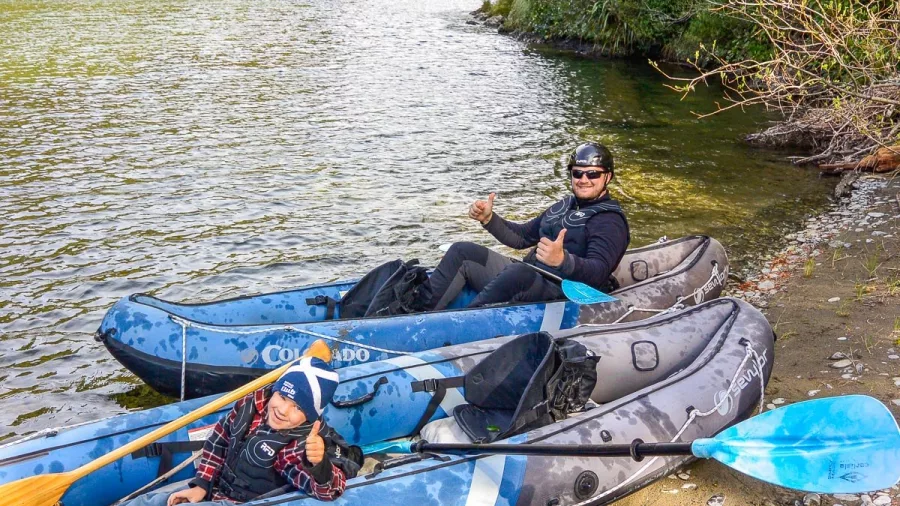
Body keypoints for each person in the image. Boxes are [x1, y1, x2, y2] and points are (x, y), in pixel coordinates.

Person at [122, 357, 360, 505]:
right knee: (147, 501)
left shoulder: (295, 447)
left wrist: (318, 464)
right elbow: (218, 441)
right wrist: (201, 485)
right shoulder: (251, 403)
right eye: (283, 396)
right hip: (214, 487)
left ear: (309, 416)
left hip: (238, 502)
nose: (283, 410)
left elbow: (329, 491)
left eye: (297, 408)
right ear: (274, 390)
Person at [426, 142, 630, 310]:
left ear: (608, 177)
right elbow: (522, 237)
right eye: (578, 174)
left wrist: (563, 261)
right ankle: (415, 314)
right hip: (530, 276)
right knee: (463, 251)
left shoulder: (609, 221)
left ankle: (459, 324)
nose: (584, 180)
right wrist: (489, 219)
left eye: (593, 174)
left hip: (561, 292)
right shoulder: (564, 205)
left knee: (519, 273)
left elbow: (600, 271)